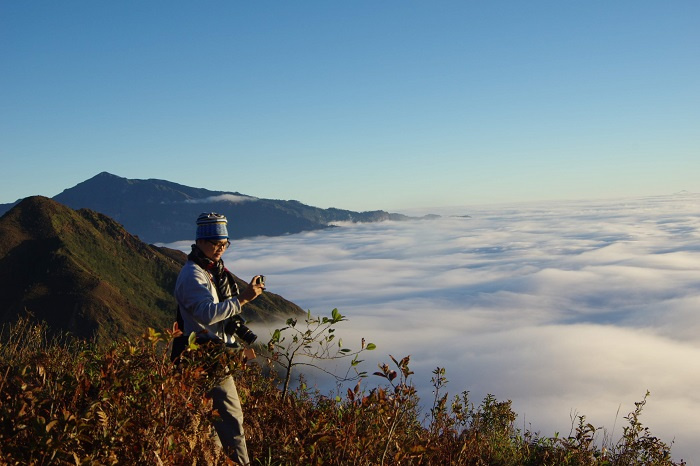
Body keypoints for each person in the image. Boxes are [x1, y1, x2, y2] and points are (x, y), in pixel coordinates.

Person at [173, 212, 265, 465]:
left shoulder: (215, 272)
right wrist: (244, 298)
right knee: (232, 420)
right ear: (200, 241)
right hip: (205, 357)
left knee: (212, 422)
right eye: (216, 243)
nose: (221, 248)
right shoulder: (194, 274)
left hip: (214, 355)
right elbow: (207, 313)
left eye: (225, 243)